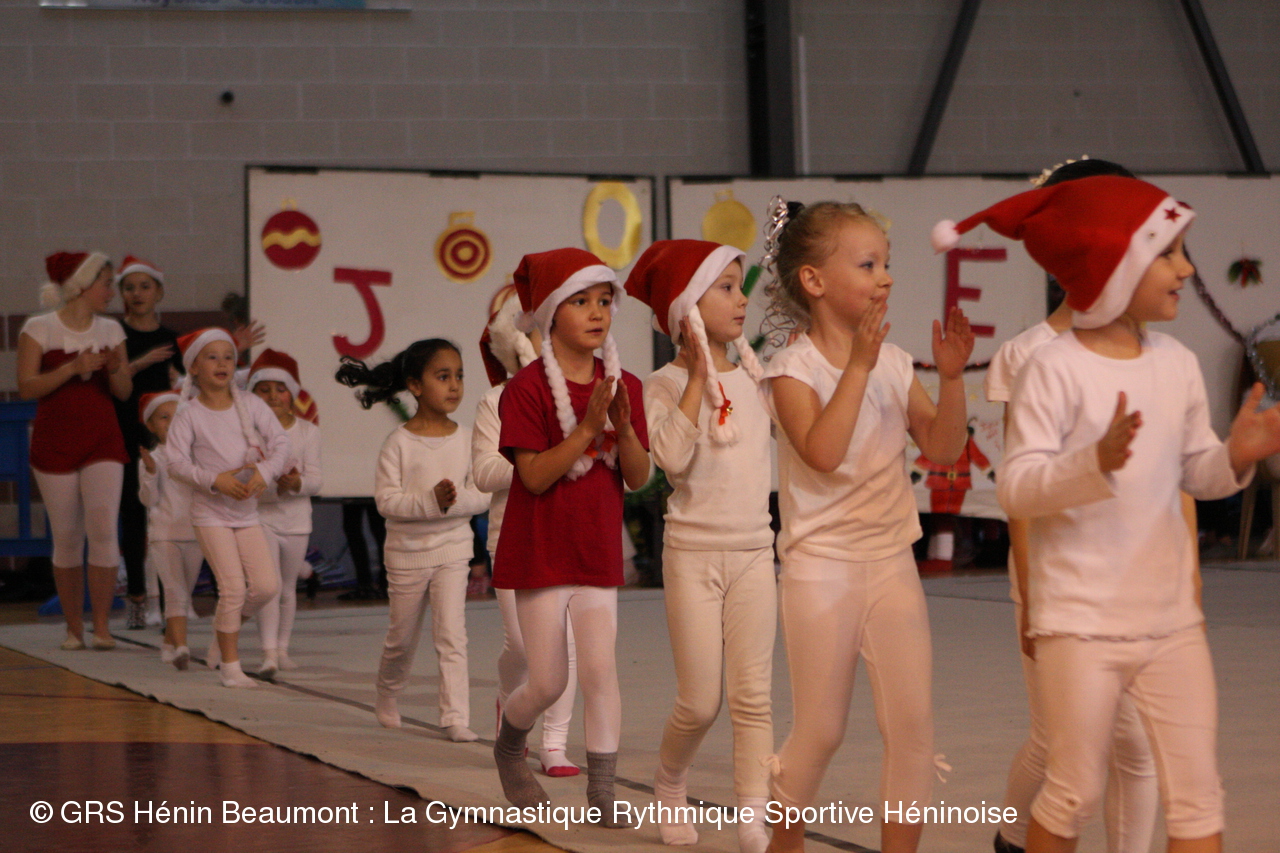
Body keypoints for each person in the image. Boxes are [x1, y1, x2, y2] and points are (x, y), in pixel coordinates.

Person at [937, 174, 1280, 853]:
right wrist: (1090, 463)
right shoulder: (1051, 367)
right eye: (1168, 253)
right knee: (1073, 791)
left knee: (1198, 797)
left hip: (1168, 620)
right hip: (1080, 624)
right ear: (1112, 265)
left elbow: (1196, 472)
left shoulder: (1176, 363)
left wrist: (1235, 456)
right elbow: (1019, 489)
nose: (1186, 269)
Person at [760, 199, 973, 853]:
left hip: (890, 563)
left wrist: (953, 379)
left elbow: (944, 447)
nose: (885, 277)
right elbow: (823, 453)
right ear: (814, 281)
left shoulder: (895, 362)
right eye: (868, 264)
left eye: (886, 264)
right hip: (820, 569)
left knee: (912, 728)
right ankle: (782, 843)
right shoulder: (791, 370)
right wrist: (856, 365)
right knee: (821, 730)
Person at [984, 158, 1163, 853]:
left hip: (1133, 573)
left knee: (1134, 746)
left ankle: (1011, 838)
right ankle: (1013, 836)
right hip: (1059, 576)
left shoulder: (1150, 348)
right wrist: (1032, 596)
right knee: (1064, 742)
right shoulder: (1028, 354)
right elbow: (1022, 493)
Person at [489, 248, 649, 825]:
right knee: (550, 681)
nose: (597, 312)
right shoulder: (525, 389)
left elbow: (638, 476)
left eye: (604, 300)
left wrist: (623, 429)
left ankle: (602, 792)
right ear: (551, 313)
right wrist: (586, 429)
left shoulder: (625, 385)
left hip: (596, 550)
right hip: (540, 553)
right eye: (581, 301)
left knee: (601, 672)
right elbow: (533, 476)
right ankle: (510, 745)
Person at [624, 239, 774, 853]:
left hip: (755, 553)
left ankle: (752, 816)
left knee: (754, 697)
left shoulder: (761, 378)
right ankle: (670, 781)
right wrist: (693, 377)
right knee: (700, 702)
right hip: (692, 558)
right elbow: (672, 458)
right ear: (688, 308)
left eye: (741, 286)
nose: (742, 300)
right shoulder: (661, 384)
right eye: (727, 288)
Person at [336, 339, 489, 743]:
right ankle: (387, 692)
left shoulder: (469, 438)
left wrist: (451, 502)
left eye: (459, 376)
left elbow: (482, 493)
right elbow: (387, 502)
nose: (454, 385)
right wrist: (430, 501)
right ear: (415, 386)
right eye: (443, 376)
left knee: (452, 635)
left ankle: (455, 716)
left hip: (453, 550)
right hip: (406, 556)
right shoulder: (399, 443)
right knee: (401, 640)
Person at [474, 283, 581, 777]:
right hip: (513, 536)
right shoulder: (495, 399)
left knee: (565, 647)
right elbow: (483, 472)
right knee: (522, 646)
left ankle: (554, 744)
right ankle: (508, 699)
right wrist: (535, 460)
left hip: (568, 534)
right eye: (538, 332)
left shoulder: (578, 394)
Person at [16, 251, 132, 651]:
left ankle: (101, 627)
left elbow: (124, 392)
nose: (112, 292)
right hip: (55, 440)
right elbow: (27, 386)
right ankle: (73, 629)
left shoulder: (111, 329)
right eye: (106, 283)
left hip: (102, 439)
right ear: (82, 285)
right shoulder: (38, 327)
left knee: (103, 528)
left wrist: (114, 367)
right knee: (67, 536)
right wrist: (71, 368)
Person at [166, 328, 289, 688]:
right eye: (212, 357)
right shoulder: (189, 414)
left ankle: (224, 634)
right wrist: (214, 480)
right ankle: (230, 668)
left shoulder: (251, 405)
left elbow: (281, 443)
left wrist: (265, 472)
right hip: (210, 515)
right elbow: (175, 463)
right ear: (194, 367)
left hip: (246, 513)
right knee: (233, 588)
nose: (222, 363)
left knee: (266, 586)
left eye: (229, 357)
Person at [112, 256, 182, 630]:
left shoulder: (171, 339)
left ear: (159, 292)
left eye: (144, 286)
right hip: (125, 433)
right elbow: (113, 386)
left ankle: (173, 603)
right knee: (133, 514)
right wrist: (140, 363)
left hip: (164, 437)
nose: (137, 294)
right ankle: (137, 596)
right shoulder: (115, 335)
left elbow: (188, 385)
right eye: (129, 287)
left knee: (170, 515)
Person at [249, 349, 322, 677]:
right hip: (260, 517)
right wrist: (271, 487)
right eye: (263, 390)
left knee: (288, 587)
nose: (272, 396)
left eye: (280, 389)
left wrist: (296, 484)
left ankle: (282, 648)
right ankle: (268, 653)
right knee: (270, 585)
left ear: (292, 394)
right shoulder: (249, 433)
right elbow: (245, 479)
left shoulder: (308, 432)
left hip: (296, 521)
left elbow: (316, 480)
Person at [137, 391, 201, 670]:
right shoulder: (151, 459)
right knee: (176, 592)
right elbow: (148, 500)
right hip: (164, 534)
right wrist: (151, 472)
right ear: (151, 425)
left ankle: (168, 643)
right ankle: (182, 647)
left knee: (185, 592)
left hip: (196, 534)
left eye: (178, 417)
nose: (172, 423)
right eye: (164, 417)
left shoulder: (198, 456)